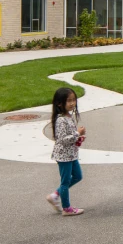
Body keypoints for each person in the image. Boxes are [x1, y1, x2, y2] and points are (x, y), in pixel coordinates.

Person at [46, 88, 86, 216]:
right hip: (64, 156)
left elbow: (70, 137)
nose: (72, 103)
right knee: (65, 182)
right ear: (59, 103)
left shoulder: (69, 116)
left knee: (78, 176)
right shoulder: (61, 120)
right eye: (68, 100)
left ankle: (55, 195)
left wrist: (78, 138)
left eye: (74, 100)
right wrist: (77, 133)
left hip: (71, 154)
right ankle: (66, 208)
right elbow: (62, 140)